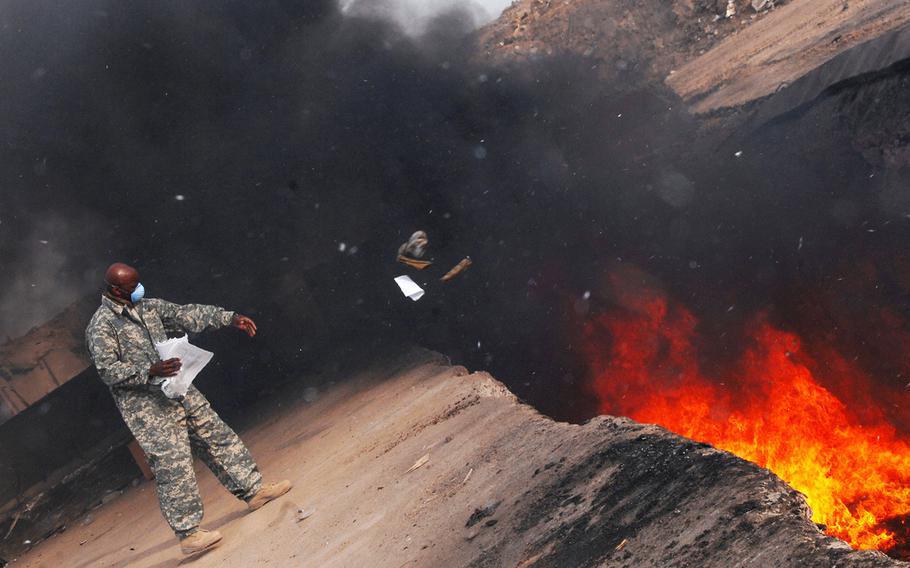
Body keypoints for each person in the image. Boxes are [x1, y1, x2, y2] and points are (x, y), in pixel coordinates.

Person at [84, 262, 291, 555]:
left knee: (218, 438)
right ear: (116, 290)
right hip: (148, 409)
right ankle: (189, 534)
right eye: (133, 287)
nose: (139, 290)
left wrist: (229, 318)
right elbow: (108, 371)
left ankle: (254, 490)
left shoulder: (147, 307)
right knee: (173, 467)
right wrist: (150, 369)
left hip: (180, 390)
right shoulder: (101, 326)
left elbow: (185, 314)